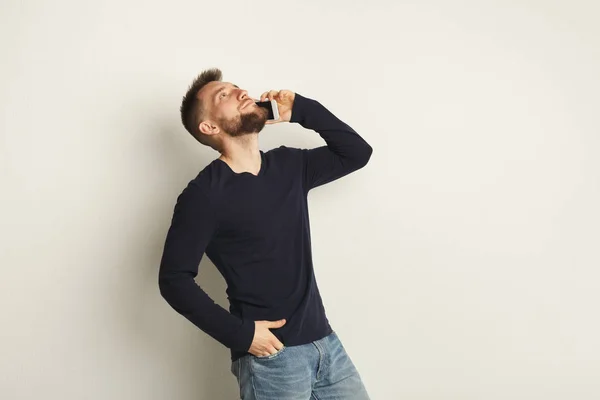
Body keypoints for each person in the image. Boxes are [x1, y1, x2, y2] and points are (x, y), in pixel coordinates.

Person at [158, 68, 373, 399]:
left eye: (236, 87)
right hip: (272, 360)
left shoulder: (289, 166)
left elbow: (357, 152)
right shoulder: (204, 194)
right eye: (224, 95)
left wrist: (299, 109)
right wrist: (242, 335)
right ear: (210, 127)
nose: (241, 92)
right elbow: (174, 279)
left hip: (325, 344)